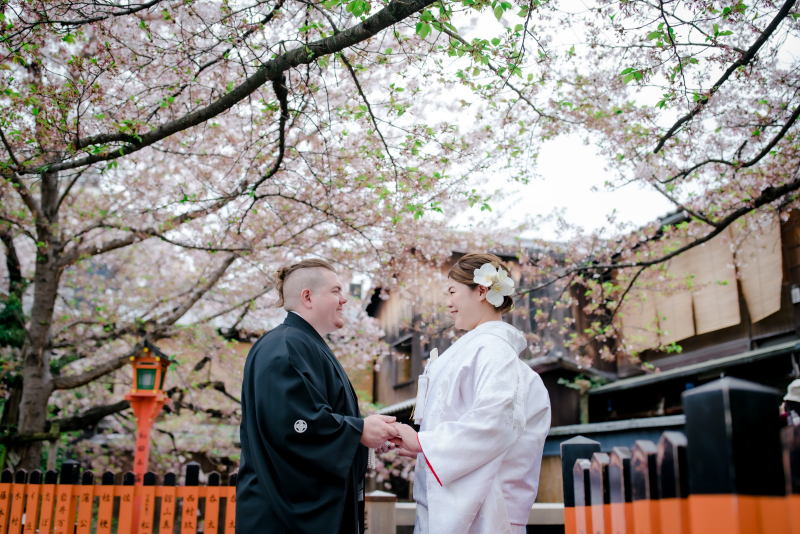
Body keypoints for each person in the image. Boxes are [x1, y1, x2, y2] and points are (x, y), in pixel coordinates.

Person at [390, 253, 551, 534]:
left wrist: (425, 443)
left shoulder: (492, 349)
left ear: (481, 290)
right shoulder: (481, 349)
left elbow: (495, 422)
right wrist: (426, 447)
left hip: (483, 510)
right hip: (468, 504)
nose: (448, 303)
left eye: (452, 292)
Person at [237, 259, 399, 534]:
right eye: (336, 291)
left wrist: (364, 437)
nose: (345, 300)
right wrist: (358, 430)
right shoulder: (284, 346)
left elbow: (319, 419)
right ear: (307, 297)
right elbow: (292, 426)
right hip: (280, 518)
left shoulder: (300, 344)